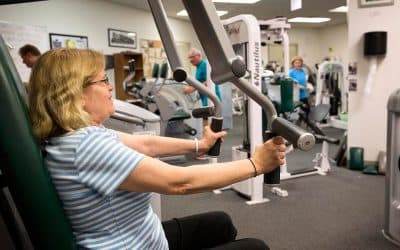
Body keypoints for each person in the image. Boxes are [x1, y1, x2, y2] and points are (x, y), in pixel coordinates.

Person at [29, 48, 286, 250]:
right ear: (75, 93)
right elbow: (180, 182)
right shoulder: (86, 146)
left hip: (144, 237)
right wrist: (256, 165)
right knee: (256, 247)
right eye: (103, 80)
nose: (110, 87)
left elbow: (146, 144)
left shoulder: (78, 136)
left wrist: (200, 144)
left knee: (221, 222)